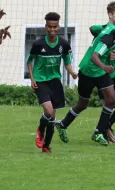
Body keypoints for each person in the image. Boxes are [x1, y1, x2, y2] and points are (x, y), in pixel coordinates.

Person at [55, 12, 115, 146]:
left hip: (99, 72)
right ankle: (63, 124)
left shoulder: (112, 30)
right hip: (88, 71)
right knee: (82, 104)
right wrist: (105, 66)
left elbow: (94, 29)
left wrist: (108, 54)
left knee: (111, 99)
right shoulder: (109, 37)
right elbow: (94, 56)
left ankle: (98, 132)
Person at [28, 12, 78, 153]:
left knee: (53, 116)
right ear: (46, 27)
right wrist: (32, 79)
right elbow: (29, 61)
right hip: (41, 81)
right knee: (48, 111)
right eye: (49, 27)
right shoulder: (38, 44)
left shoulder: (64, 44)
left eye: (54, 27)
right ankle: (40, 129)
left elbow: (67, 62)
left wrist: (72, 72)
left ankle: (46, 146)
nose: (52, 30)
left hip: (55, 81)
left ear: (58, 27)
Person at [88, 2, 115, 144]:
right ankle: (101, 131)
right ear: (110, 15)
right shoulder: (104, 30)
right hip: (104, 72)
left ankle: (107, 126)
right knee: (108, 104)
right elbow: (92, 29)